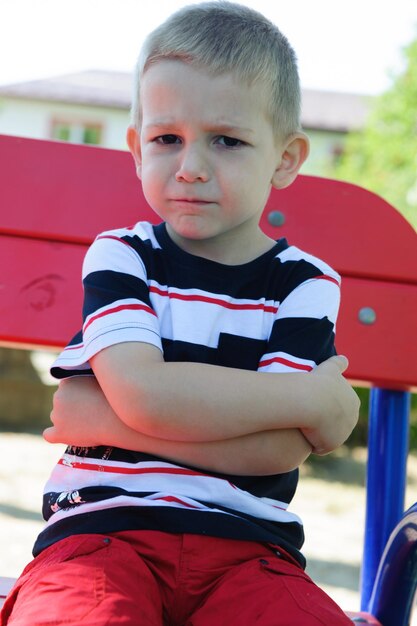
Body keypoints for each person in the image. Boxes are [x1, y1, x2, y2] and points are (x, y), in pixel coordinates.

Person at [0, 2, 359, 624]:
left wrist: (104, 421)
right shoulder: (123, 257)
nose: (191, 168)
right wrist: (313, 402)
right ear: (137, 148)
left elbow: (273, 452)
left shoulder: (305, 283)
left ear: (286, 157)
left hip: (251, 551)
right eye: (168, 139)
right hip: (102, 537)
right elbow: (145, 394)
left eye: (227, 139)